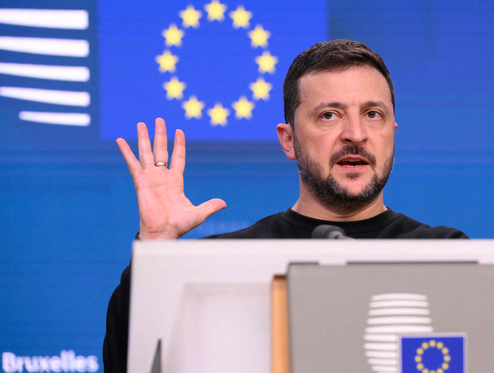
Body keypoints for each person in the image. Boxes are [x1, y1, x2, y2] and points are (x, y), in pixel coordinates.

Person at [103, 39, 467, 372]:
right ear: (289, 141)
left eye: (373, 114)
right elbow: (129, 364)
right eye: (330, 115)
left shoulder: (447, 254)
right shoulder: (220, 264)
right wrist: (156, 248)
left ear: (392, 133)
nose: (356, 134)